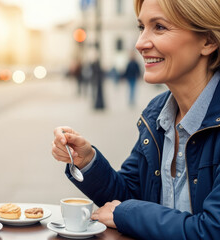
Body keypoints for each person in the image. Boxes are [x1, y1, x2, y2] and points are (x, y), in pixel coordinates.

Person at [51, 0, 220, 239]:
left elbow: (212, 230)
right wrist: (87, 161)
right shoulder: (158, 112)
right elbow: (128, 195)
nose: (140, 43)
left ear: (208, 41)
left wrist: (126, 214)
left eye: (159, 27)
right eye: (142, 28)